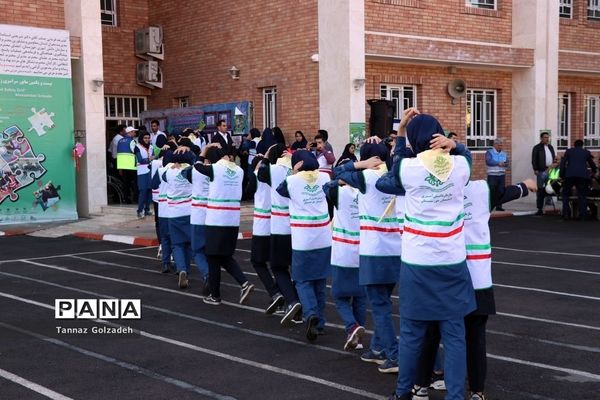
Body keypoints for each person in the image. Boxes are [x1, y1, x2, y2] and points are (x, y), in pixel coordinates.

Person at [379, 109, 476, 400]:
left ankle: (403, 392)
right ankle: (455, 396)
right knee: (455, 335)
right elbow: (467, 157)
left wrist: (399, 134)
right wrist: (453, 145)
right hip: (452, 261)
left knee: (411, 334)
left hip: (417, 262)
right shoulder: (459, 166)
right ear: (440, 136)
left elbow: (394, 168)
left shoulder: (408, 169)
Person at [411, 178, 537, 400]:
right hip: (478, 276)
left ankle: (421, 385)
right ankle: (477, 391)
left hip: (443, 274)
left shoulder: (433, 191)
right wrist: (525, 186)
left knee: (432, 331)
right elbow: (509, 192)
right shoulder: (483, 189)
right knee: (475, 336)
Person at [335, 142, 402, 374]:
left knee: (380, 306)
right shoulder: (395, 175)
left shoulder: (366, 178)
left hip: (374, 251)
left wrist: (360, 163)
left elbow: (338, 172)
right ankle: (378, 348)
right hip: (397, 249)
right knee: (383, 301)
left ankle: (394, 355)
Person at [276, 150, 332, 341]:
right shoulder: (324, 176)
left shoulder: (292, 181)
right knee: (320, 280)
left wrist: (293, 172)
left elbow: (280, 190)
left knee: (302, 280)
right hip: (323, 236)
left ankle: (310, 313)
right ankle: (321, 323)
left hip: (303, 238)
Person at [193, 143, 254, 305]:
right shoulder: (239, 171)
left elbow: (197, 166)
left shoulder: (215, 169)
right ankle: (244, 283)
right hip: (232, 221)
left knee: (212, 257)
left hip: (216, 220)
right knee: (225, 256)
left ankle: (215, 295)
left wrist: (204, 150)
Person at [257, 144, 302, 324]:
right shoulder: (300, 167)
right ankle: (301, 306)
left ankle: (292, 301)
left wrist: (266, 157)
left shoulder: (273, 169)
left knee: (278, 267)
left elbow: (260, 174)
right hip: (299, 226)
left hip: (279, 226)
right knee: (297, 269)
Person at [323, 166, 367, 351]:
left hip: (343, 250)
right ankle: (357, 337)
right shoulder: (367, 191)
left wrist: (340, 181)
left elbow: (326, 186)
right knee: (360, 296)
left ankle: (352, 326)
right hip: (364, 249)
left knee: (339, 295)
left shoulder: (339, 192)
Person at [246, 154, 285, 314]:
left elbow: (247, 192)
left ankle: (275, 292)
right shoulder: (279, 174)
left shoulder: (257, 175)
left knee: (258, 261)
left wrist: (254, 172)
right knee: (280, 265)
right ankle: (286, 296)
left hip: (262, 226)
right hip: (278, 225)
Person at [160, 150, 195, 289]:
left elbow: (161, 176)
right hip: (190, 212)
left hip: (174, 213)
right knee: (189, 244)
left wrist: (172, 166)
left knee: (177, 245)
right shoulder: (192, 171)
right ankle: (187, 268)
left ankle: (182, 270)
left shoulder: (169, 173)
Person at [560, 139, 597, 220]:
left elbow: (563, 163)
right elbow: (591, 163)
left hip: (570, 175)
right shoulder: (586, 152)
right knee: (582, 195)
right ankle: (582, 215)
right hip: (582, 176)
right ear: (582, 145)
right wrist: (594, 171)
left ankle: (566, 214)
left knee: (565, 194)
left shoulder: (568, 151)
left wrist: (562, 175)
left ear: (574, 145)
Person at [531, 131, 556, 215]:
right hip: (542, 171)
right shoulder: (537, 147)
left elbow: (554, 157)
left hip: (551, 170)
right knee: (541, 189)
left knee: (550, 188)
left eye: (548, 137)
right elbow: (534, 159)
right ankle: (539, 208)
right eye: (545, 137)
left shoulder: (551, 147)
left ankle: (548, 203)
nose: (547, 139)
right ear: (541, 138)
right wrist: (535, 169)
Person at [116, 126, 139, 204]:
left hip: (122, 166)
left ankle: (125, 199)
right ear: (130, 133)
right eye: (134, 132)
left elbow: (118, 154)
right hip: (131, 166)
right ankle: (136, 199)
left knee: (125, 184)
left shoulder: (120, 141)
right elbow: (135, 152)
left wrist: (119, 168)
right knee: (135, 183)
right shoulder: (132, 141)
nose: (135, 133)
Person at [134, 131, 155, 218]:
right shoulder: (137, 147)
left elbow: (154, 157)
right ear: (141, 139)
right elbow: (140, 160)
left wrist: (151, 158)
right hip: (142, 172)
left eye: (148, 138)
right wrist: (149, 159)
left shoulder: (151, 147)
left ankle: (147, 210)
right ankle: (139, 211)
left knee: (150, 191)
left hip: (150, 171)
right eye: (145, 138)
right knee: (143, 191)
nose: (147, 140)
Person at [485, 138, 509, 211]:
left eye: (501, 145)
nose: (500, 147)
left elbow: (507, 163)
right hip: (492, 175)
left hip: (501, 175)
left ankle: (499, 206)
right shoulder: (489, 152)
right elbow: (489, 161)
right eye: (499, 145)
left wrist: (505, 164)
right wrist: (498, 163)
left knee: (501, 191)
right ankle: (491, 206)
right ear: (494, 145)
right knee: (492, 191)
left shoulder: (504, 153)